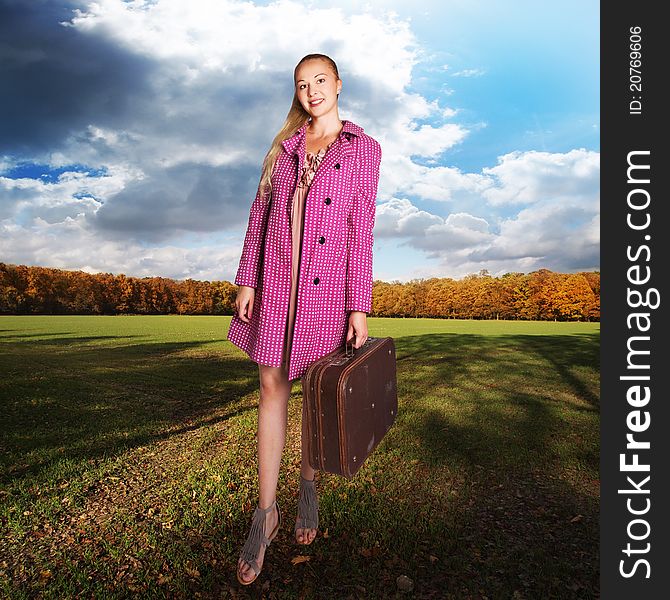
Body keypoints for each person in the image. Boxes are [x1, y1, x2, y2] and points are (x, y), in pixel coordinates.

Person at [226, 52, 382, 585]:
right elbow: (259, 214)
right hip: (274, 284)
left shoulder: (364, 150)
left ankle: (307, 488)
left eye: (319, 80)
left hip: (325, 292)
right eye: (301, 84)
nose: (311, 90)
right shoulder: (284, 148)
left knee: (316, 395)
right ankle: (265, 513)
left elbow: (362, 229)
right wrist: (247, 277)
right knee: (272, 389)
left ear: (338, 83)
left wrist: (358, 304)